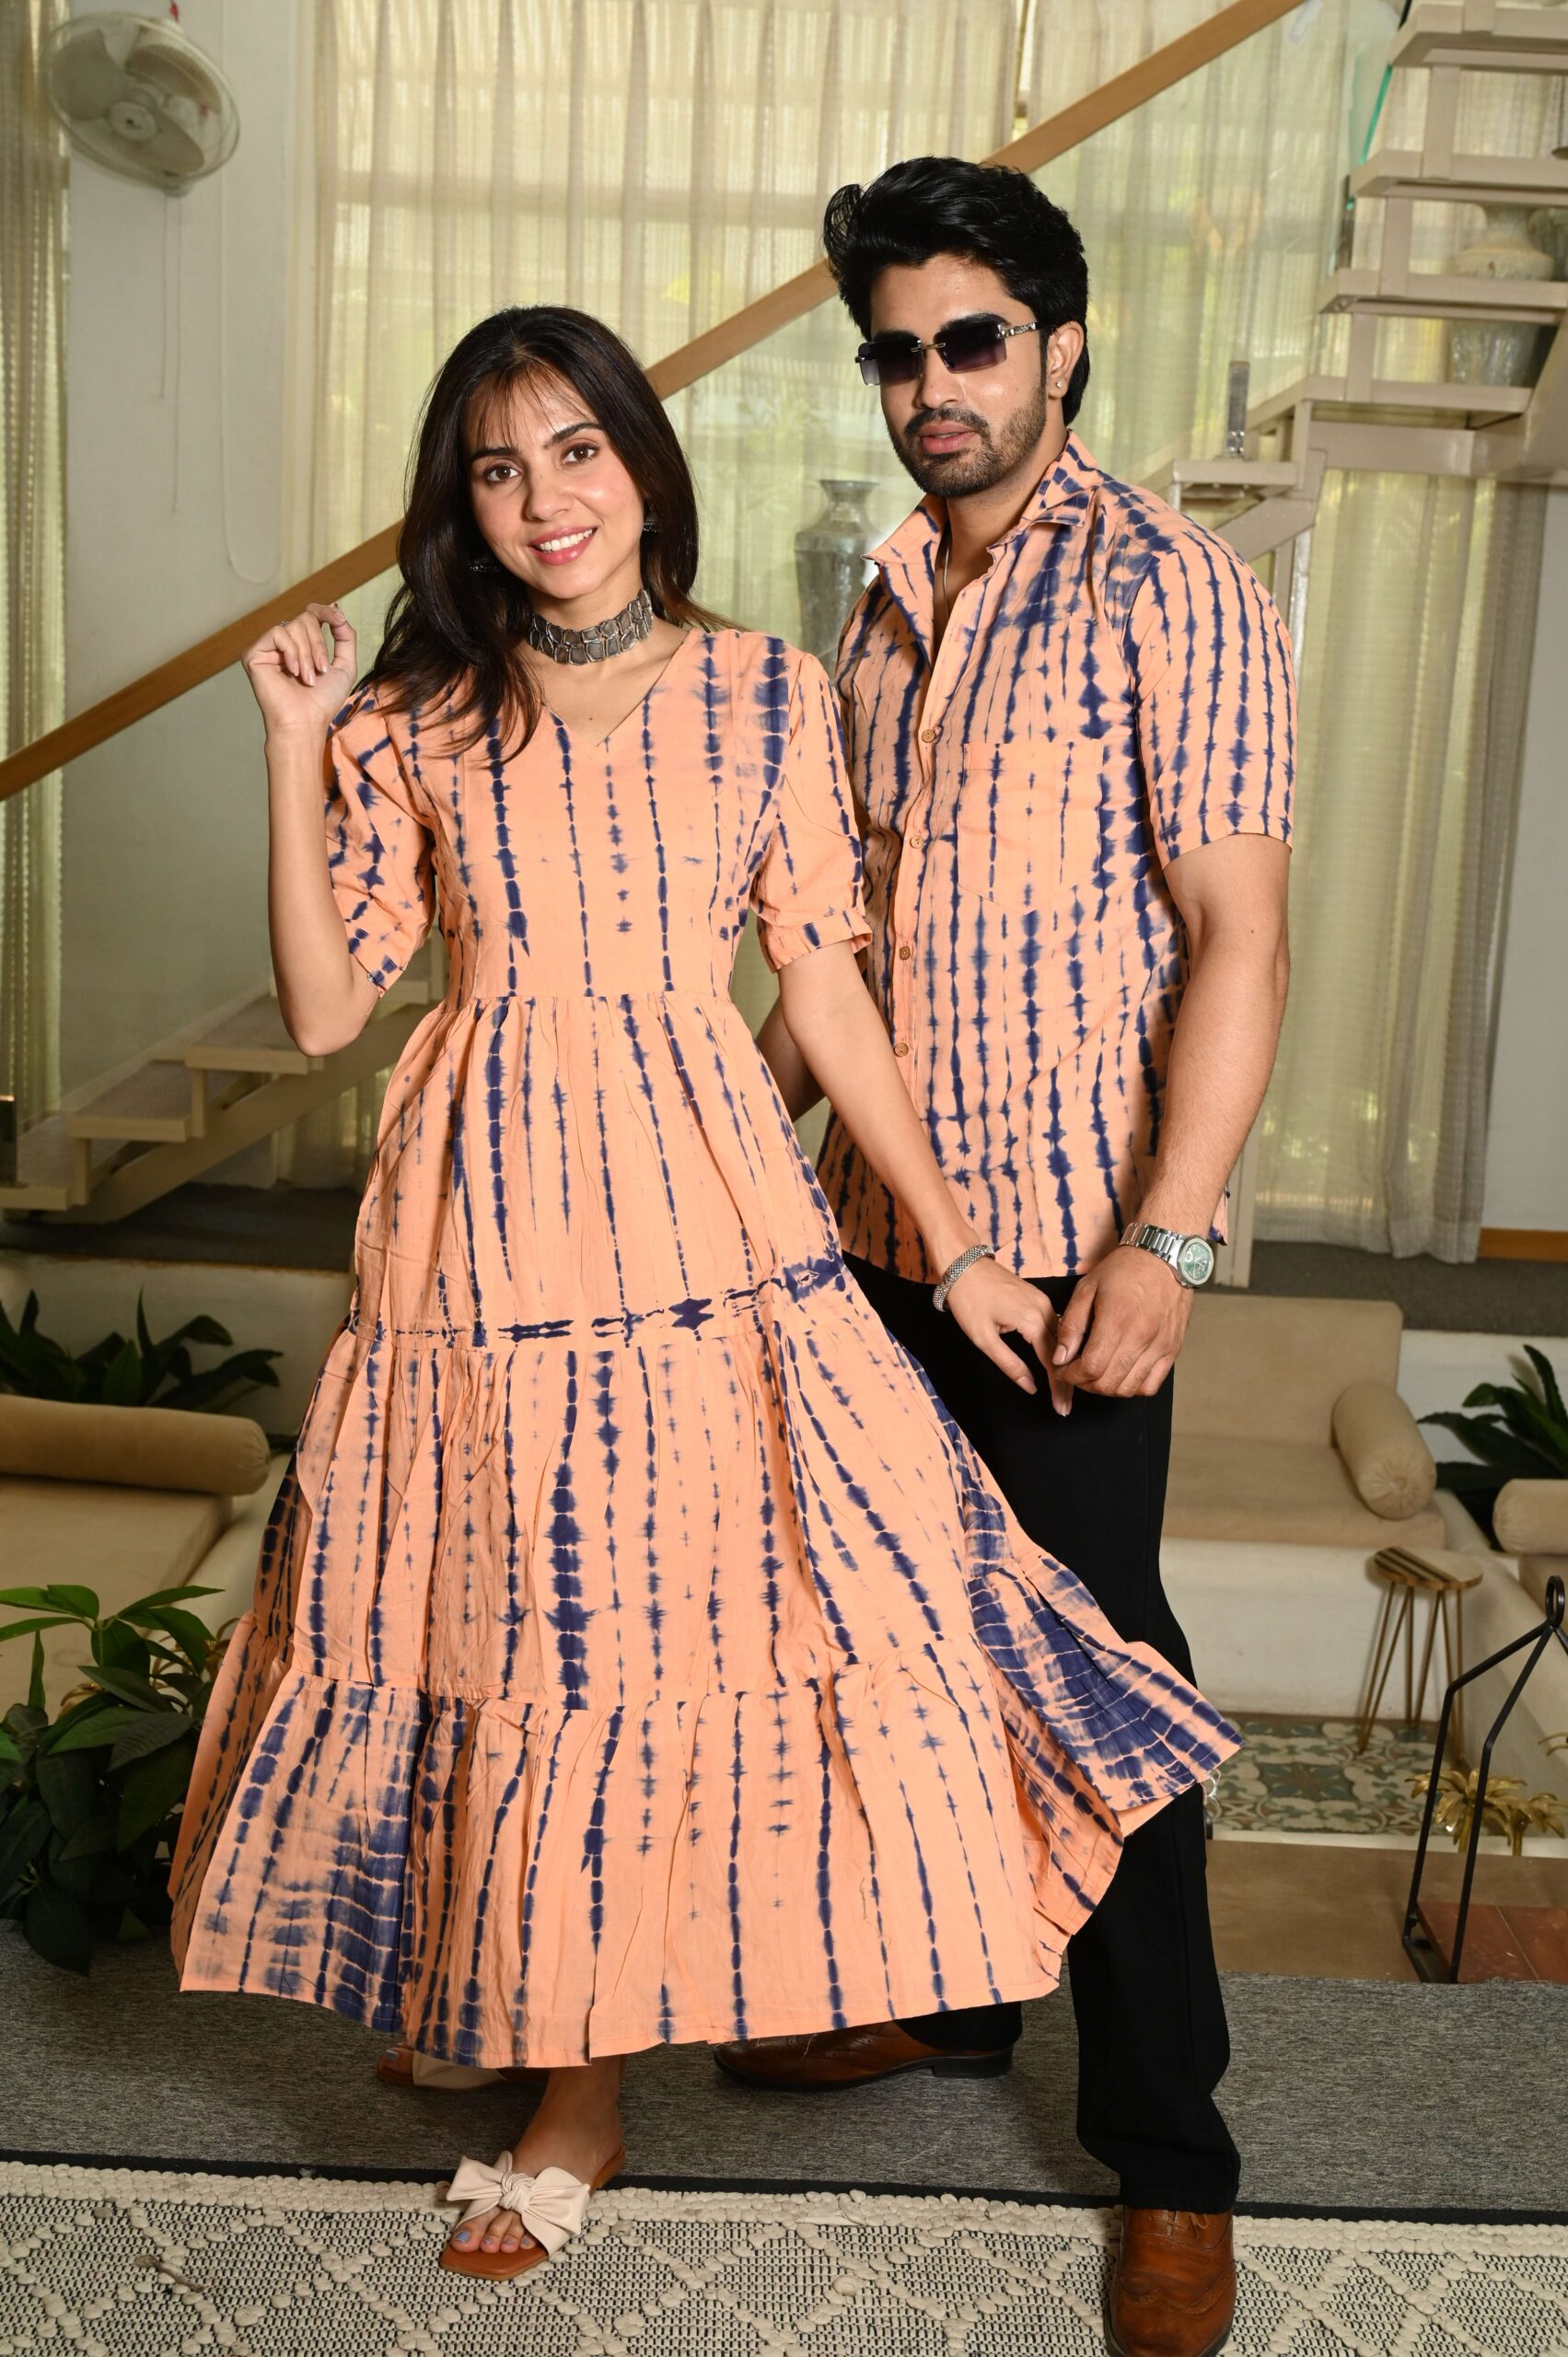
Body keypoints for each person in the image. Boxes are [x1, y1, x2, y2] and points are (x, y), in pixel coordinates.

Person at [168, 303, 1240, 2291]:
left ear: (643, 468)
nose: (544, 500)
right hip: (483, 1223)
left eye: (577, 450)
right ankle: (561, 2072)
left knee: (691, 1622)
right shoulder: (415, 713)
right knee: (510, 1625)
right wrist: (298, 749)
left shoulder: (764, 690)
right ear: (463, 506)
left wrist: (958, 1241)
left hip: (701, 1214)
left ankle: (695, 2037)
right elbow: (325, 1009)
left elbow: (824, 979)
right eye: (498, 468)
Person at [726, 160, 1295, 2357]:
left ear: (1060, 340)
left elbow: (1239, 938)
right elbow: (840, 943)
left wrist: (1172, 1235)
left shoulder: (1175, 587)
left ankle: (1172, 2161)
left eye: (970, 339)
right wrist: (731, 1138)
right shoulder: (873, 604)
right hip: (874, 1242)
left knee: (1096, 1680)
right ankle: (954, 2004)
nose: (930, 385)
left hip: (1071, 1261)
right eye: (896, 352)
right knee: (888, 1653)